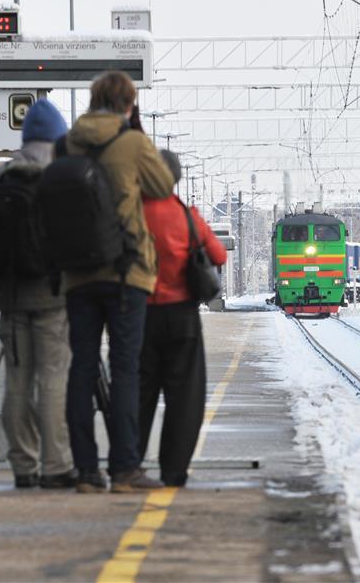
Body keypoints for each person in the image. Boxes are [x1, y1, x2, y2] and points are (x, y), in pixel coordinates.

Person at [60, 71, 175, 493]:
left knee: (82, 367)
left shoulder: (69, 140)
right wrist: (137, 132)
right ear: (129, 104)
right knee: (126, 367)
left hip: (77, 273)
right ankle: (125, 469)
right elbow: (163, 184)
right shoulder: (131, 142)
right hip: (126, 271)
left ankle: (86, 471)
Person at [0, 99, 75, 489]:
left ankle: (23, 464)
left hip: (12, 298)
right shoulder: (59, 178)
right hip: (54, 298)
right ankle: (56, 465)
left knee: (17, 379)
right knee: (52, 380)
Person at [138, 151, 227, 487]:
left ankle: (130, 463)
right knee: (184, 395)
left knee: (140, 392)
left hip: (142, 314)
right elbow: (218, 255)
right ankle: (173, 471)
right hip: (182, 316)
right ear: (174, 178)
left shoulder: (134, 212)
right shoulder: (187, 216)